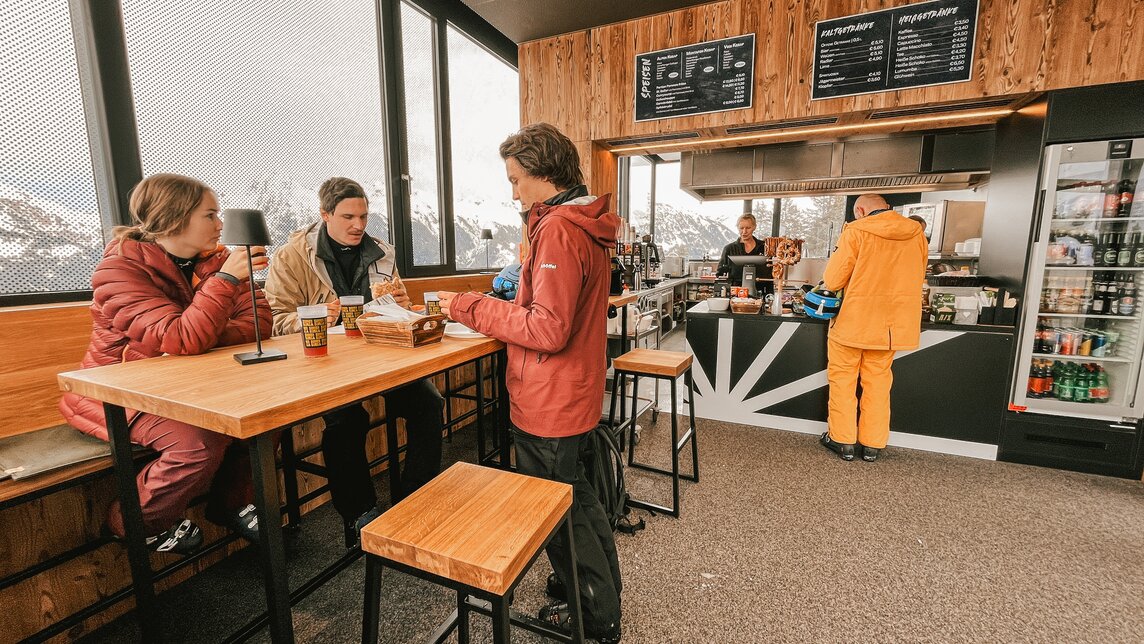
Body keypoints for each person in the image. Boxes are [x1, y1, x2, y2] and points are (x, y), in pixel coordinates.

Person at [438, 123, 623, 643]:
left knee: (554, 513)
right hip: (574, 393)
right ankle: (594, 592)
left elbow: (547, 329)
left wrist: (466, 305)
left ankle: (594, 617)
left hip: (549, 399)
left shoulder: (559, 230)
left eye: (517, 179)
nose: (513, 190)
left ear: (544, 174)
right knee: (577, 497)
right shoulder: (582, 224)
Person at [59, 173, 271, 554]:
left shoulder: (216, 261)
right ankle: (132, 523)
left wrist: (199, 332)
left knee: (267, 416)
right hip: (119, 392)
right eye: (210, 215)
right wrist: (220, 289)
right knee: (198, 445)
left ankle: (232, 503)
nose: (221, 224)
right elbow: (181, 338)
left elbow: (259, 324)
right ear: (174, 217)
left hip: (191, 384)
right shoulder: (118, 270)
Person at [262, 177, 444, 547]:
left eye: (363, 216)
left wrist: (399, 307)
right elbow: (273, 320)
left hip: (382, 356)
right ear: (324, 214)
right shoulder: (292, 257)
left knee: (429, 404)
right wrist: (314, 317)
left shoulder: (382, 252)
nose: (358, 225)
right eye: (348, 216)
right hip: (325, 364)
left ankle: (415, 497)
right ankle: (359, 513)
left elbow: (399, 304)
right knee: (347, 420)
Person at [818, 194, 928, 462]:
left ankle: (843, 441)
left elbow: (832, 279)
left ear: (861, 210)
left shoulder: (856, 231)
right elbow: (919, 274)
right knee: (878, 384)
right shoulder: (916, 234)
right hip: (891, 326)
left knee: (843, 381)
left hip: (853, 322)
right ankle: (873, 444)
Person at [715, 213, 773, 295]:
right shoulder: (729, 249)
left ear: (754, 227)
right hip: (735, 295)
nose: (744, 231)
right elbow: (720, 275)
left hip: (760, 295)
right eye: (741, 228)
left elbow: (770, 276)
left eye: (748, 228)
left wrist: (770, 296)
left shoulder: (765, 248)